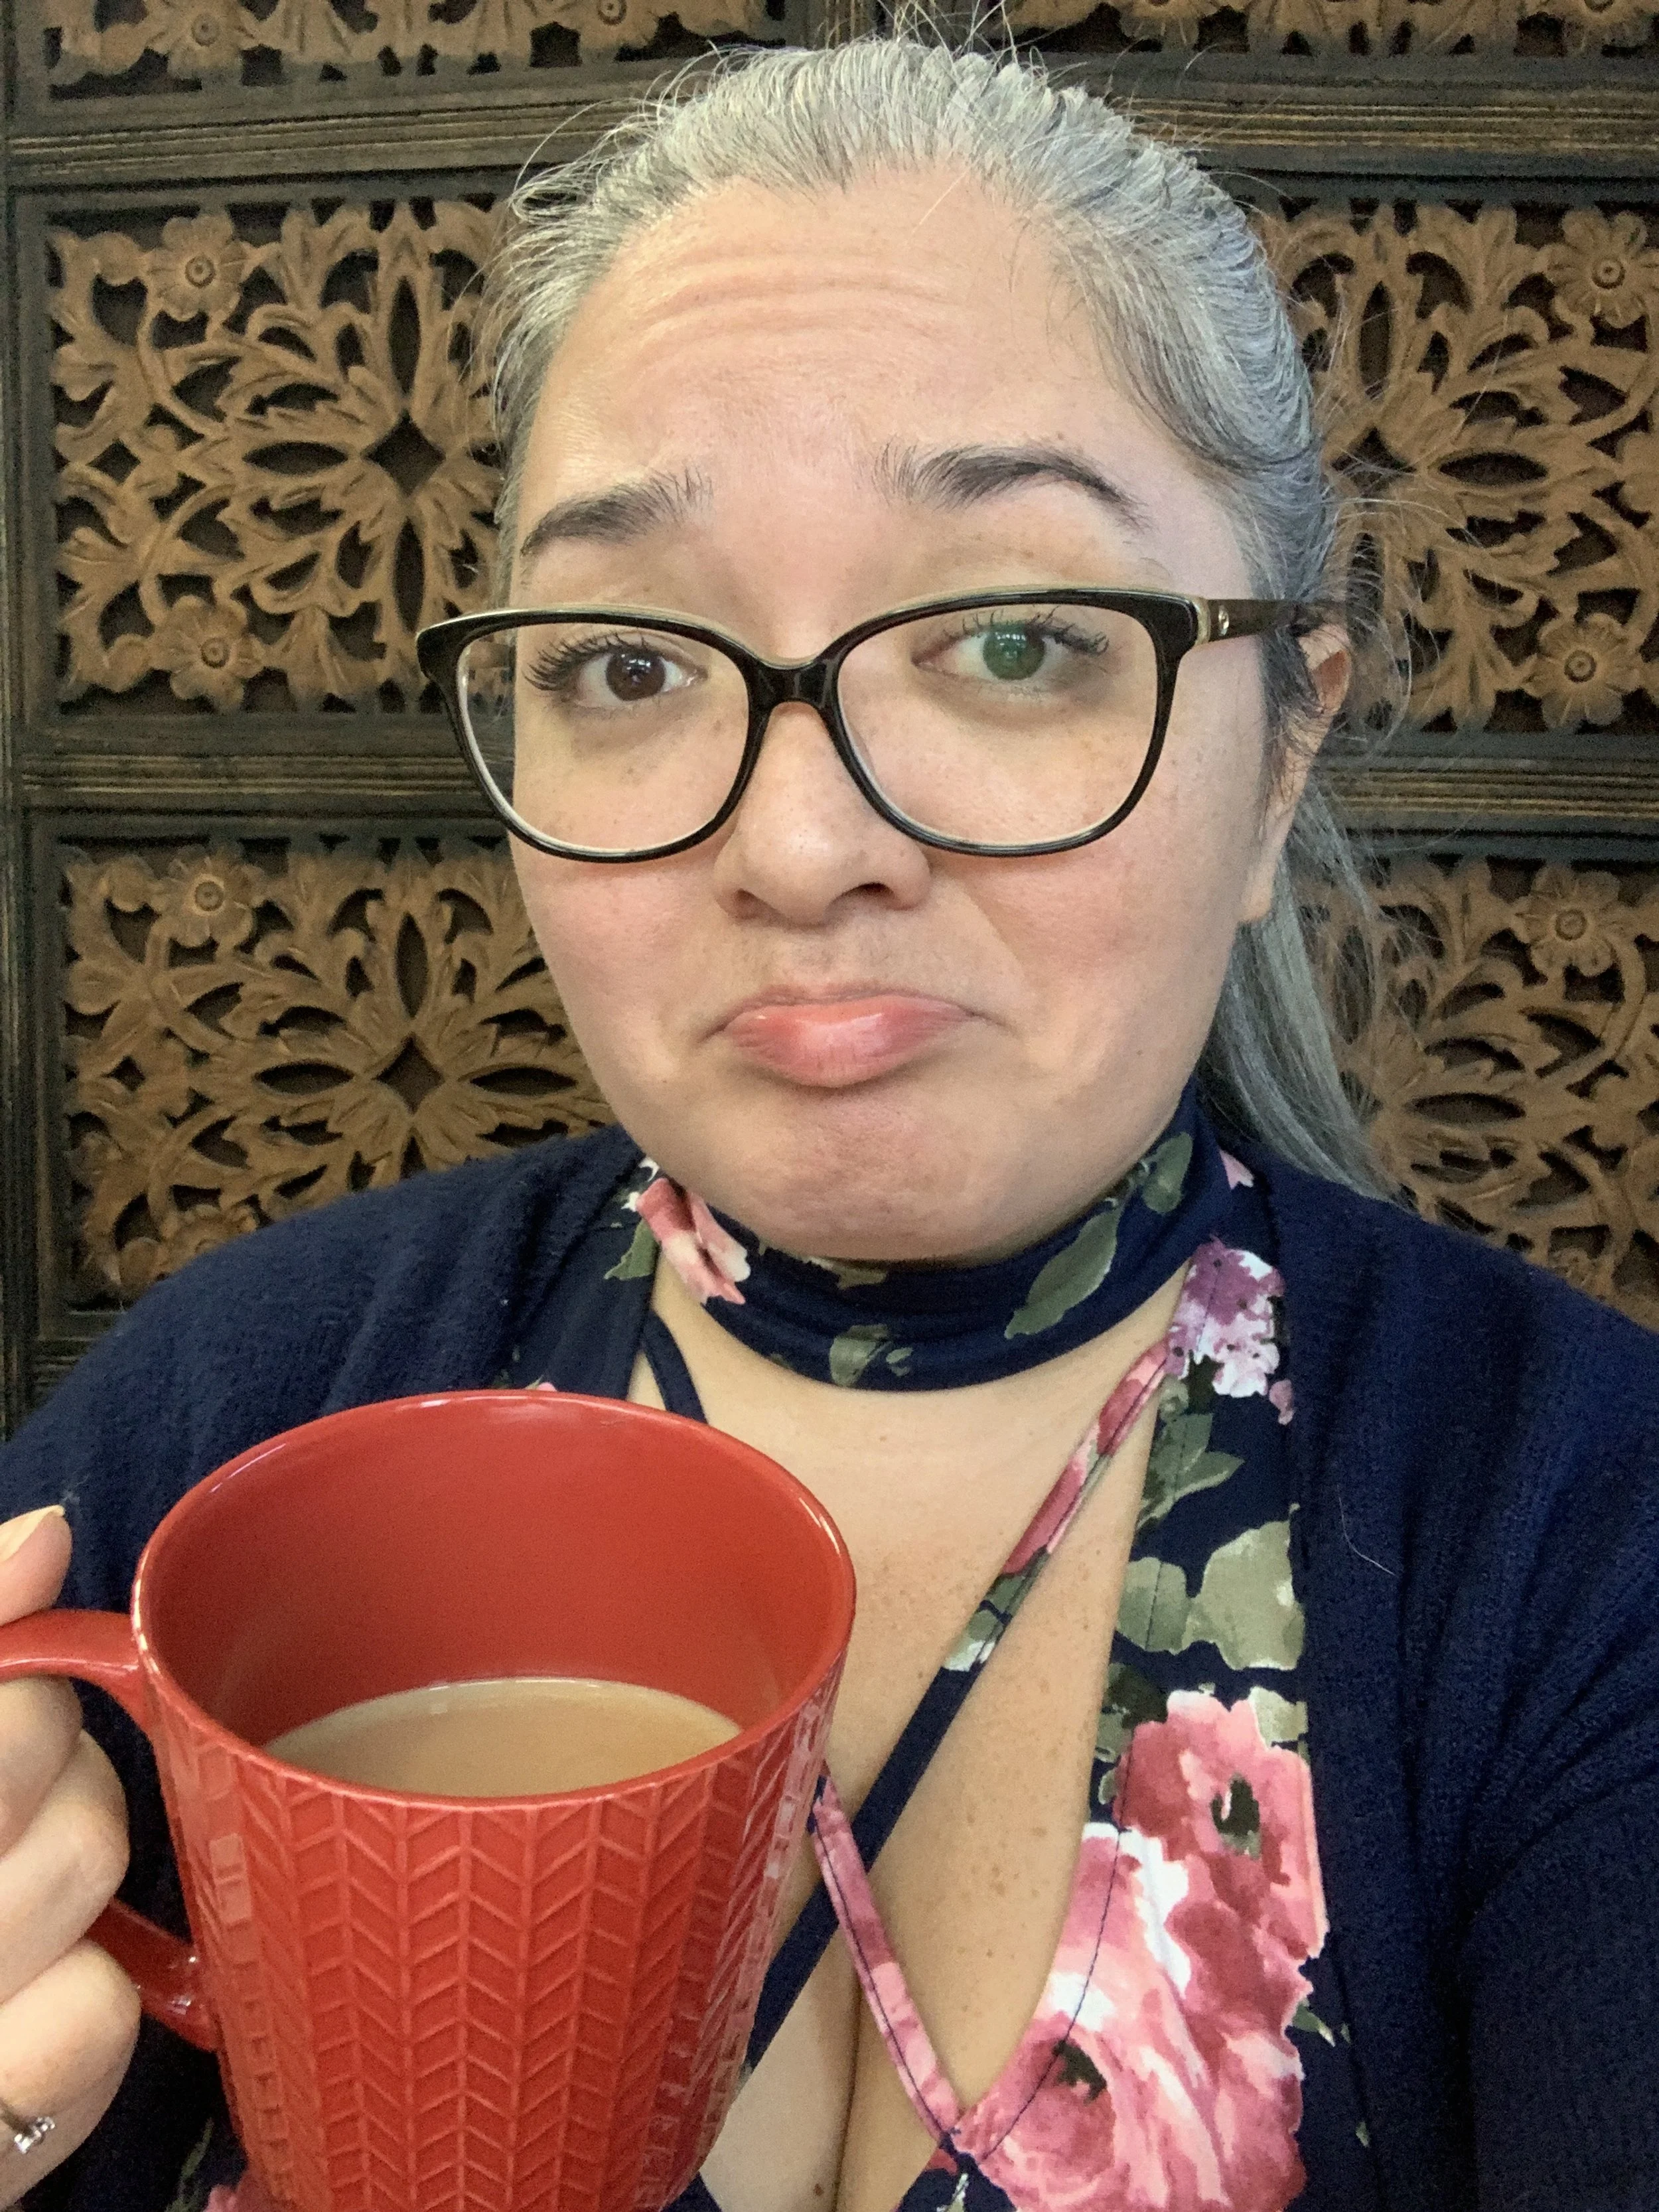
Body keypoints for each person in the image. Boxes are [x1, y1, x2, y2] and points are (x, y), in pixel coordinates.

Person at [2, 35, 1656, 2212]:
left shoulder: (1576, 1549)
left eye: (1007, 641)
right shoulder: (213, 1430)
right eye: (627, 663)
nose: (798, 844)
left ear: (1278, 754)